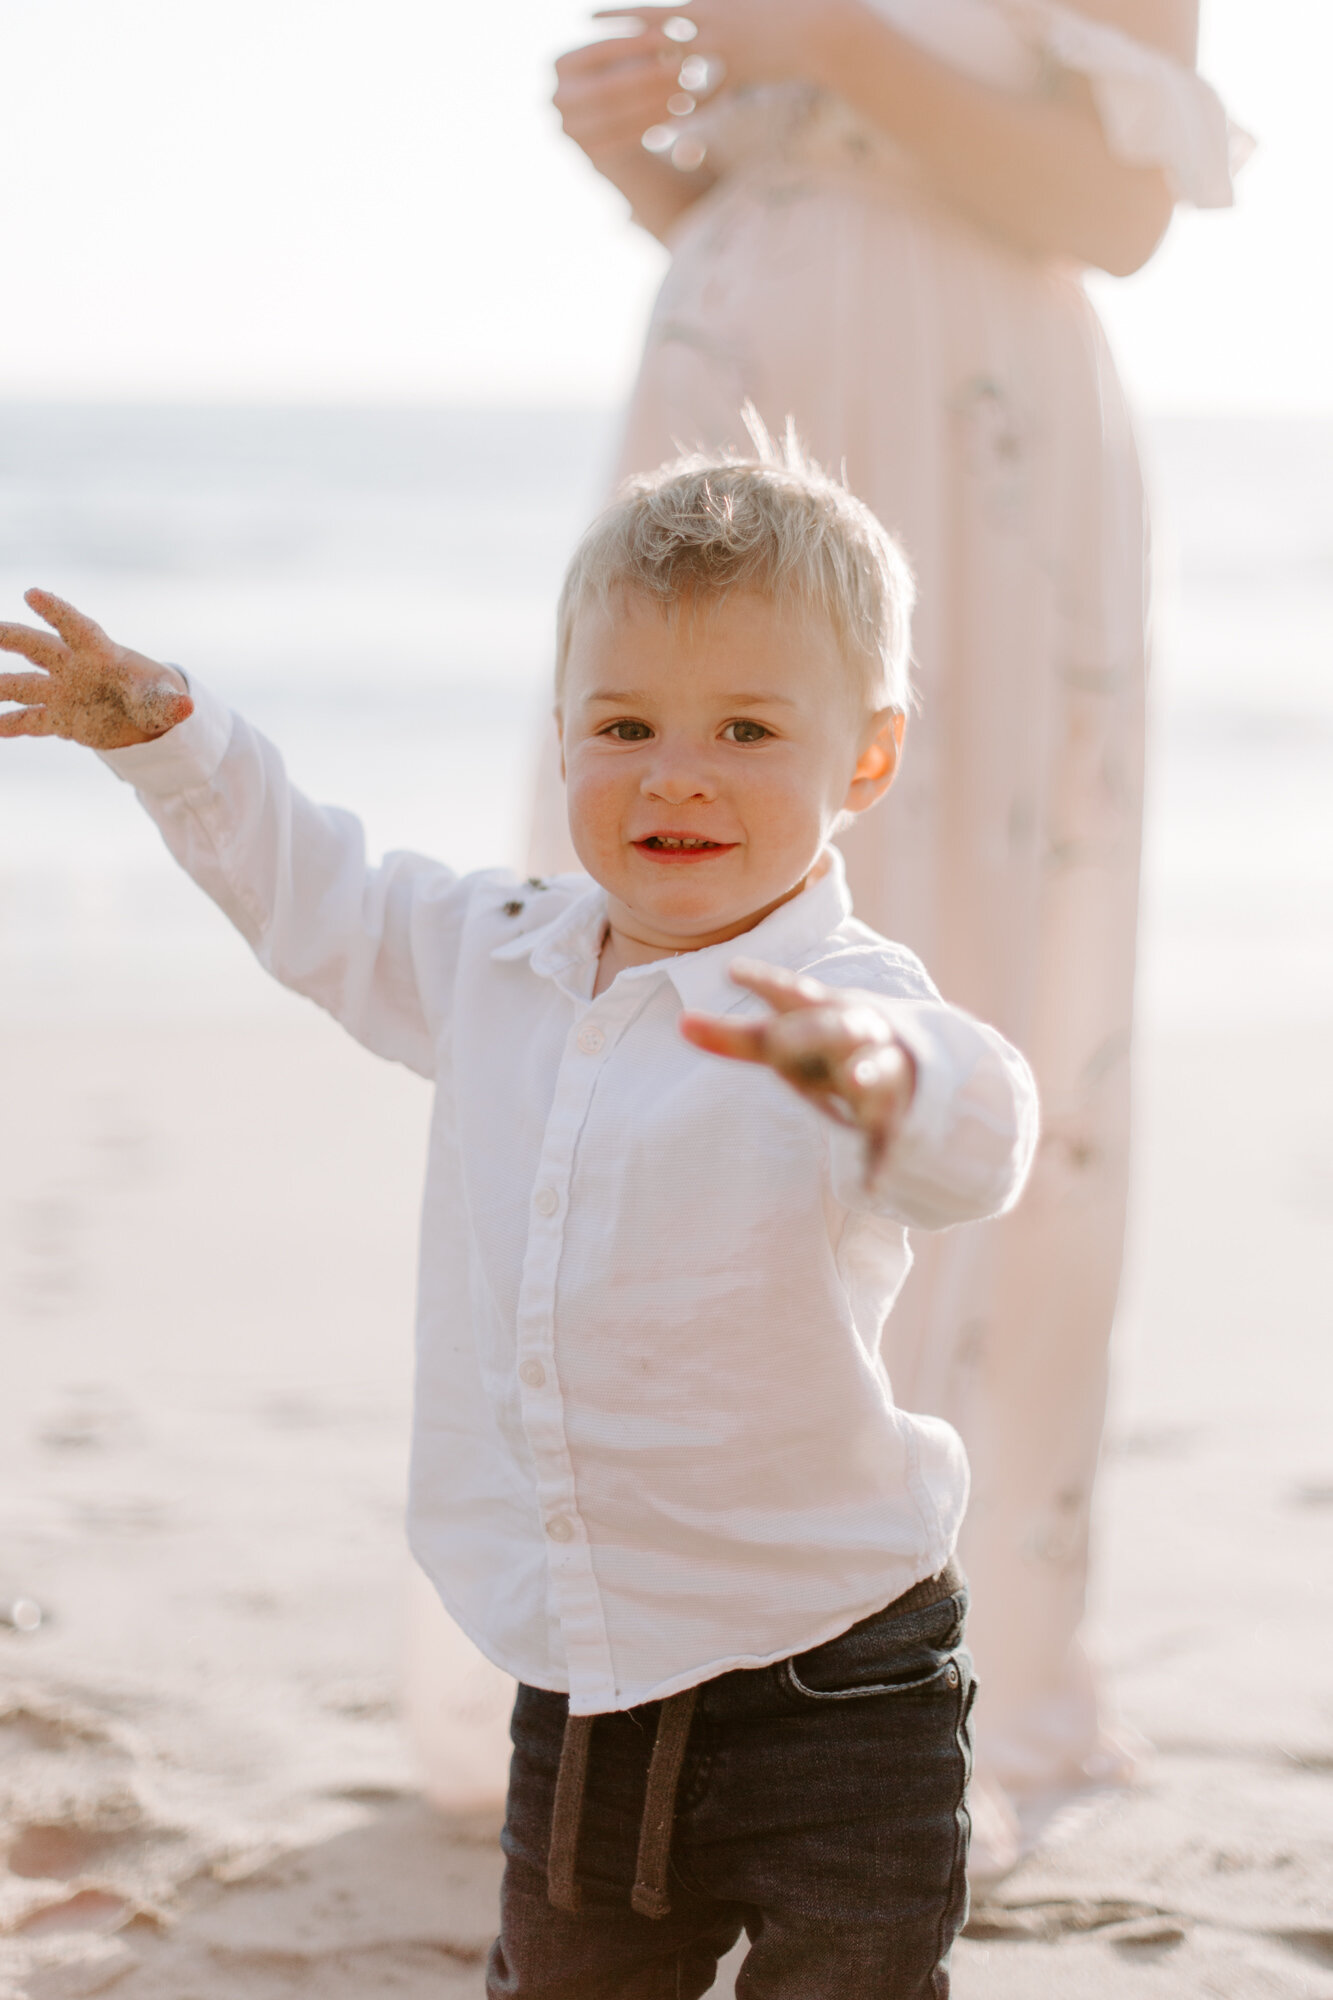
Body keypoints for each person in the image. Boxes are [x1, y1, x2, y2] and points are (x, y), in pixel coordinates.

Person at [0, 441, 1037, 1997]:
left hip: (838, 1674)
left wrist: (881, 1078)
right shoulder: (493, 954)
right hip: (586, 1663)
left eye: (747, 730)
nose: (675, 773)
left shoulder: (842, 1008)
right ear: (560, 733)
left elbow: (977, 1132)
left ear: (863, 762)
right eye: (623, 726)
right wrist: (175, 743)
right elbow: (319, 895)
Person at [544, 0, 1250, 1869]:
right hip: (736, 356)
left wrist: (826, 40)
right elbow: (769, 175)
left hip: (981, 425)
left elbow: (1113, 211)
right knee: (662, 992)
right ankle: (654, 1668)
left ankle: (912, 1686)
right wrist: (646, 164)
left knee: (944, 1002)